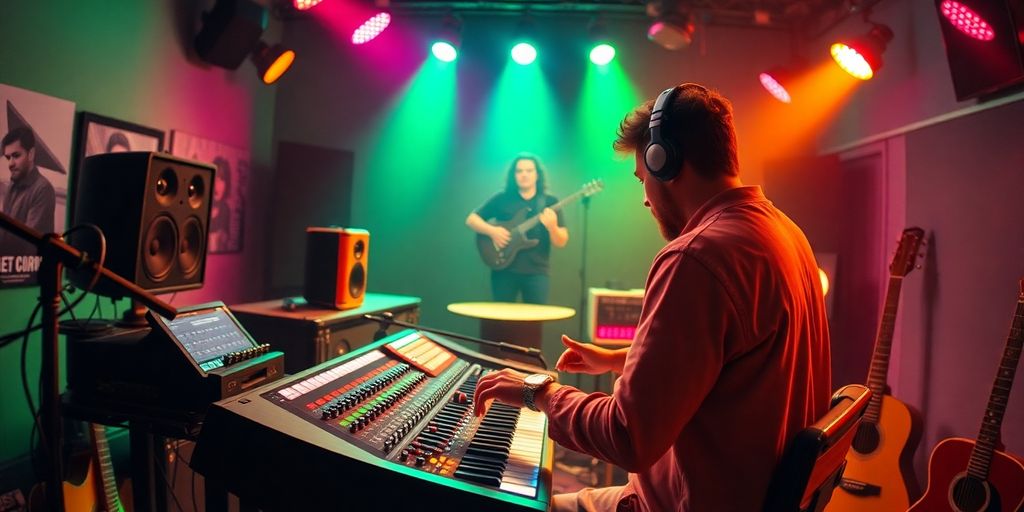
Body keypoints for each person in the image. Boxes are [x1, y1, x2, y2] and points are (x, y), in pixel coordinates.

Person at [473, 83, 831, 511]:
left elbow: (628, 437)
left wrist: (540, 394)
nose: (645, 198)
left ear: (666, 163)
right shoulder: (785, 233)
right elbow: (735, 362)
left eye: (643, 178)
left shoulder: (696, 256)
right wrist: (621, 358)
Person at [465, 154, 569, 304]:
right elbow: (471, 219)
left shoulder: (550, 202)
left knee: (535, 320)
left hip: (537, 272)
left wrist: (552, 227)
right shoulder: (502, 198)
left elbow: (561, 241)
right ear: (513, 175)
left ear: (537, 174)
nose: (524, 174)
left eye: (529, 170)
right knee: (501, 321)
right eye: (519, 171)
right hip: (504, 269)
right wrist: (493, 231)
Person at [1, 127, 55, 254]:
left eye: (16, 156)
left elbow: (28, 243)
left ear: (31, 154)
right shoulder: (11, 188)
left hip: (29, 271)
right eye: (8, 157)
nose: (10, 163)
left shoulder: (43, 189)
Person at [208, 156, 232, 253]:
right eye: (216, 178)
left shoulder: (226, 210)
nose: (218, 185)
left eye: (222, 179)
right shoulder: (202, 206)